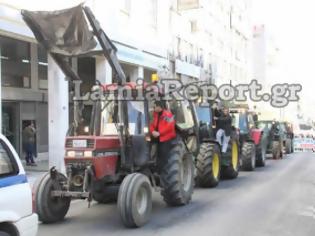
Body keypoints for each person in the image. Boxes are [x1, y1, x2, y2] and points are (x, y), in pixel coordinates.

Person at [149, 101, 176, 171]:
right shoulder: (154, 115)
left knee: (163, 154)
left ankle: (161, 170)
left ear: (159, 107)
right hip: (156, 136)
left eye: (155, 106)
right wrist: (152, 131)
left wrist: (159, 133)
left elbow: (170, 127)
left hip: (165, 137)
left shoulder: (168, 115)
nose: (153, 107)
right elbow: (150, 124)